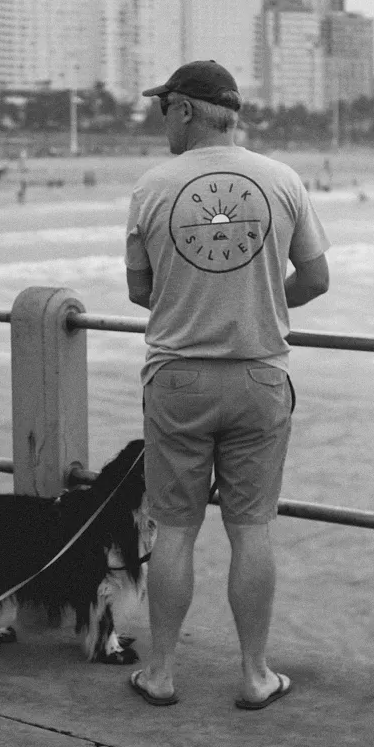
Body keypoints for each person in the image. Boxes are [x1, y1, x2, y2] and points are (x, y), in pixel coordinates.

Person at [123, 60, 330, 710]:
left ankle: (159, 673)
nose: (162, 124)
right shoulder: (283, 180)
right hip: (258, 376)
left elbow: (139, 291)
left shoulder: (153, 188)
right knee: (251, 530)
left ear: (185, 110)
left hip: (178, 377)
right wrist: (264, 301)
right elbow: (317, 278)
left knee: (175, 531)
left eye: (164, 111)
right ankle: (253, 674)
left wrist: (193, 299)